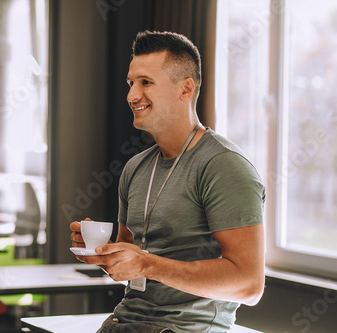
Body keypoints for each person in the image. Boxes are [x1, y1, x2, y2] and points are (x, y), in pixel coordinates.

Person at [70, 30, 265, 333]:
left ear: (185, 89)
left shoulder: (224, 166)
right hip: (123, 323)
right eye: (130, 83)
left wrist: (148, 264)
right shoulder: (136, 168)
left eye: (146, 82)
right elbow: (131, 255)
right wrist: (105, 253)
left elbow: (249, 285)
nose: (132, 95)